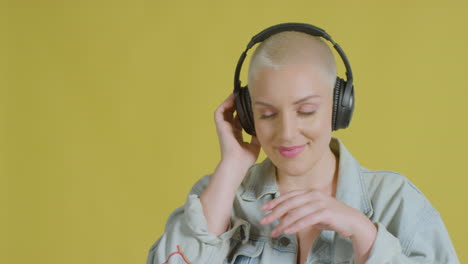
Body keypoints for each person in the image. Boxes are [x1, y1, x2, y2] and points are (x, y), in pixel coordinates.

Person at [146, 23, 460, 264]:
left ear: (339, 108)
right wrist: (231, 167)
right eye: (267, 114)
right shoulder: (220, 198)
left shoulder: (397, 201)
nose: (286, 132)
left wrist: (364, 234)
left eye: (306, 111)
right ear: (246, 113)